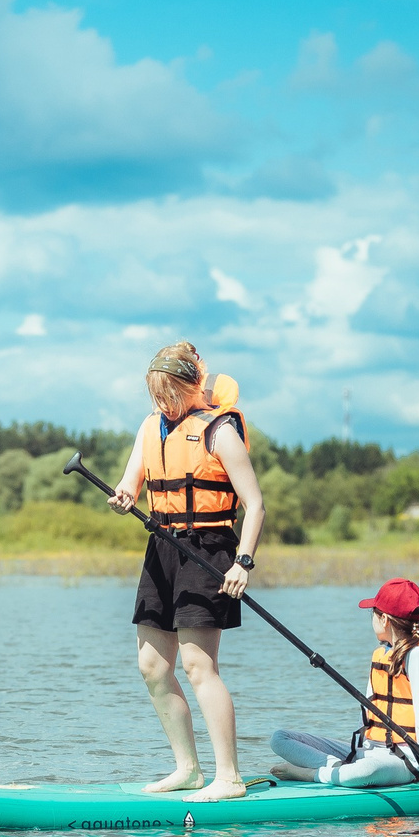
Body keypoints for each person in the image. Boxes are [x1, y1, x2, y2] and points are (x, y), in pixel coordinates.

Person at [107, 342, 266, 802]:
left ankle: (229, 776)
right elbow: (130, 484)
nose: (162, 403)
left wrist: (243, 561)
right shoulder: (149, 427)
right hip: (162, 548)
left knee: (199, 666)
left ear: (191, 385)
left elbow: (254, 504)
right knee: (153, 666)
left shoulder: (219, 430)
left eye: (168, 393)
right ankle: (188, 769)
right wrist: (122, 497)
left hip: (210, 550)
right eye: (156, 395)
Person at [270, 578, 419, 788]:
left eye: (372, 612)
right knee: (280, 739)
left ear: (384, 619)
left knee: (366, 771)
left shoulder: (417, 656)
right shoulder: (382, 653)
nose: (370, 618)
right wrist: (357, 751)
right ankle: (340, 770)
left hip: (403, 761)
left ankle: (313, 774)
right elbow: (364, 714)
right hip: (364, 752)